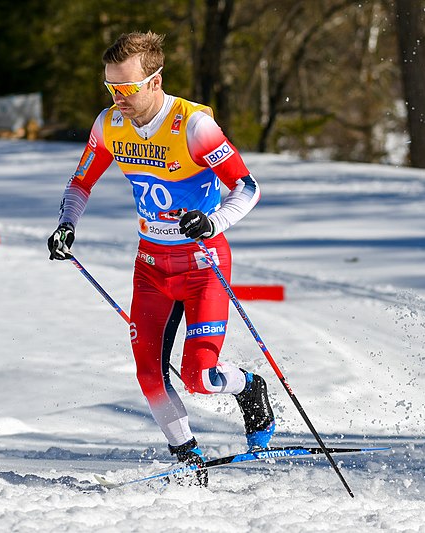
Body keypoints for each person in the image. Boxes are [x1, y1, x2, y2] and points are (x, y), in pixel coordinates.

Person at [48, 31, 275, 486]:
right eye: (110, 88)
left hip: (202, 264)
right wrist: (67, 223)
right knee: (148, 372)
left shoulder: (193, 126)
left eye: (127, 89)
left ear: (155, 81)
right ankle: (187, 455)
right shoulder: (110, 124)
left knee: (198, 375)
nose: (118, 99)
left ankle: (249, 388)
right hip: (151, 266)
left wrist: (213, 222)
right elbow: (81, 183)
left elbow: (246, 187)